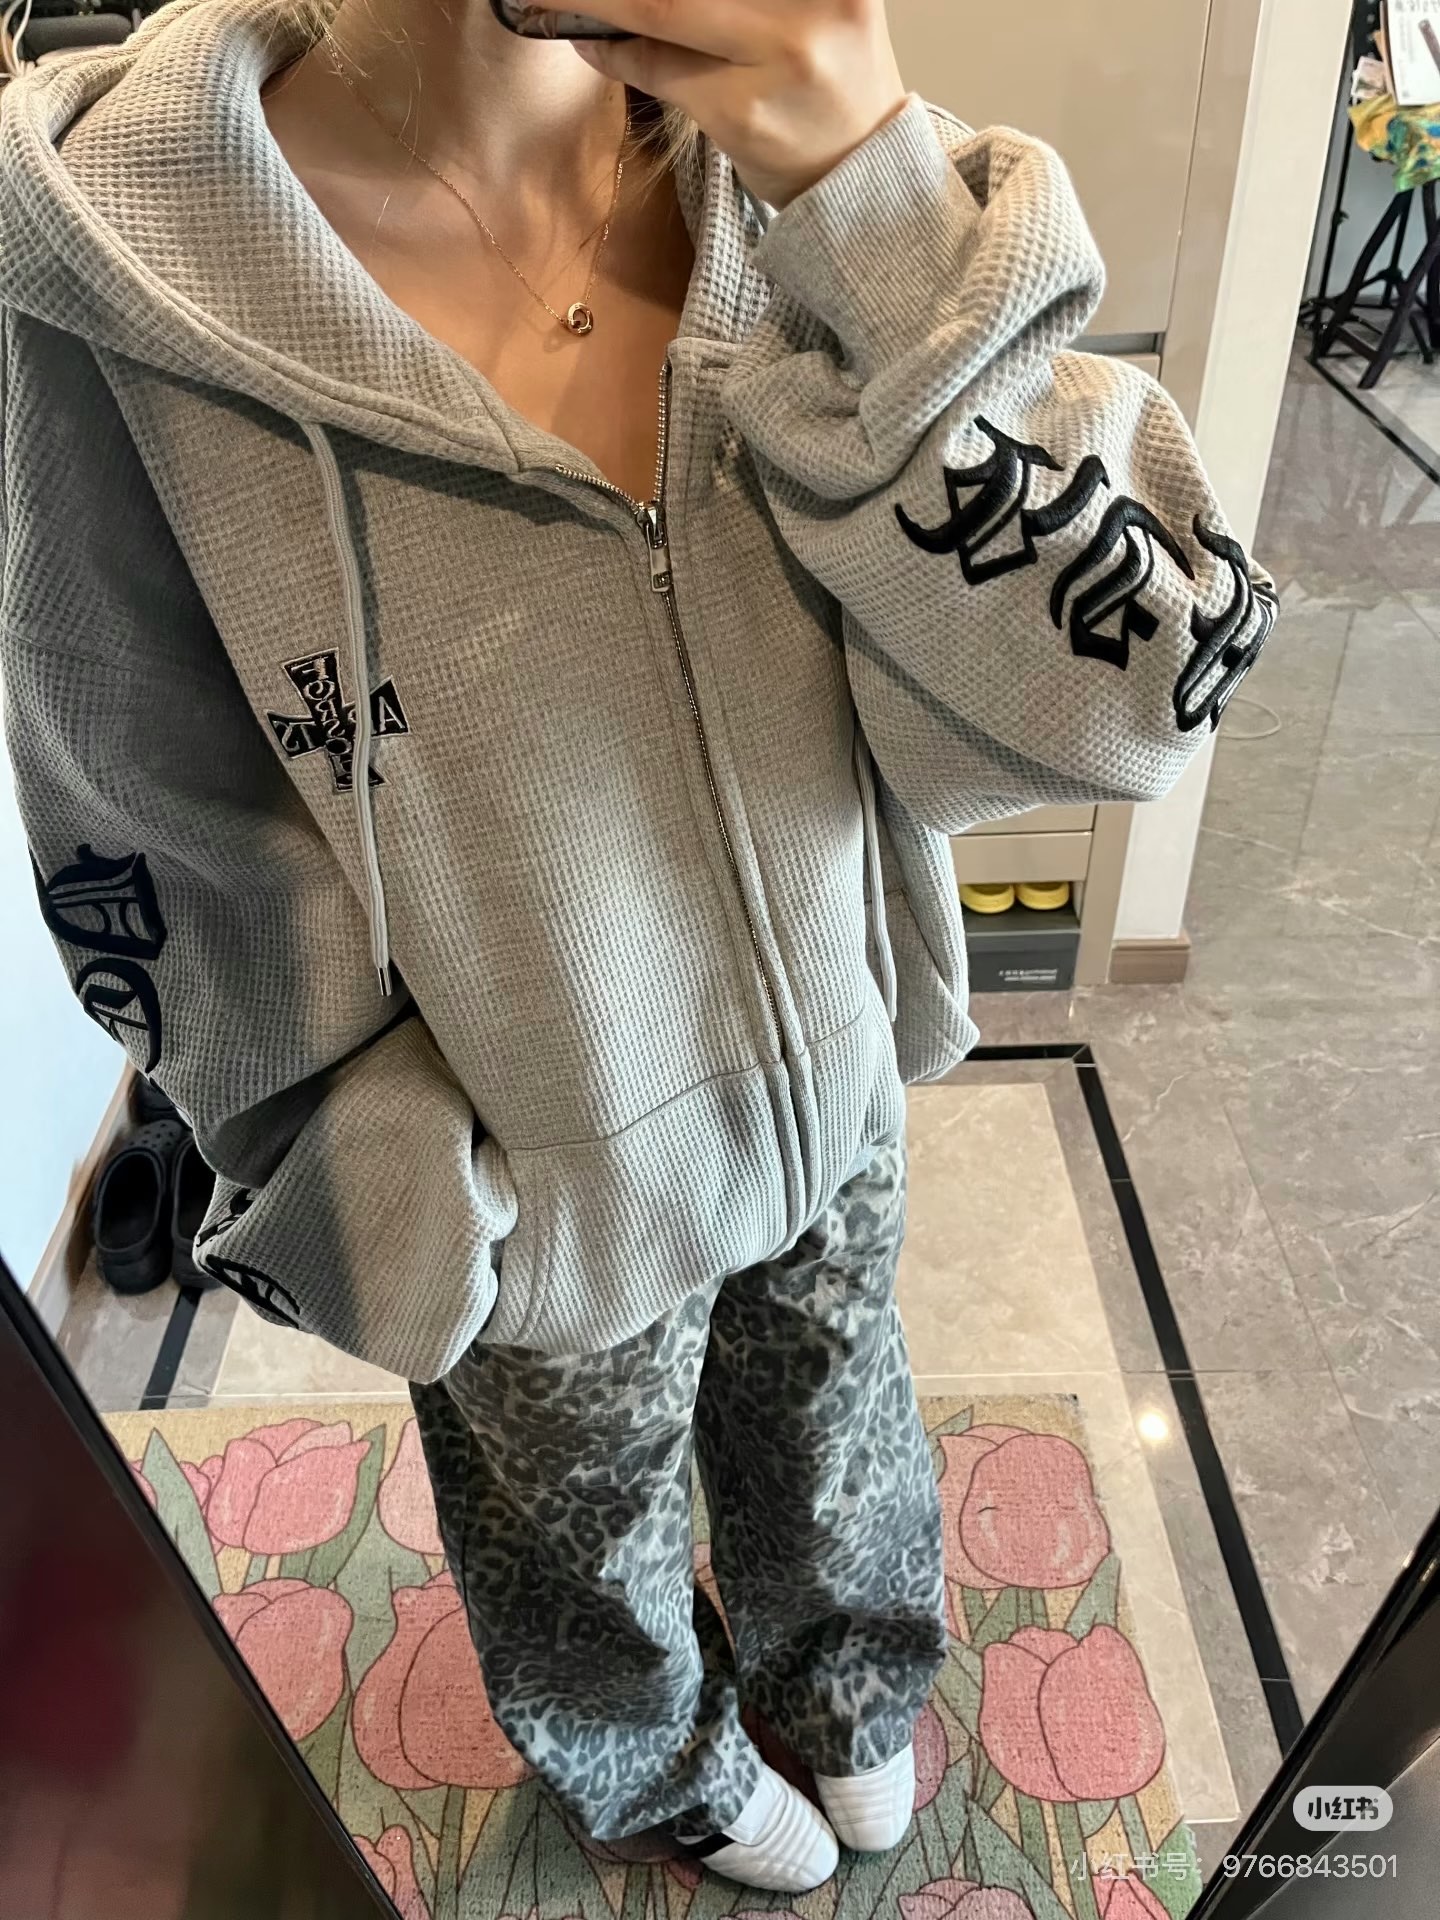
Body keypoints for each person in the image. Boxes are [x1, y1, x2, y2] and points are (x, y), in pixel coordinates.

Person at [0, 0, 1277, 1893]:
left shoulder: (823, 189)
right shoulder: (121, 257)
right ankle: (651, 1754)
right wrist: (382, 1161)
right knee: (572, 1522)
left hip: (834, 1067)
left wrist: (870, 207)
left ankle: (848, 1678)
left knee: (833, 1393)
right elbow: (141, 794)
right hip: (533, 1166)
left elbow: (1140, 693)